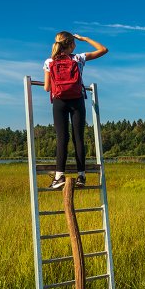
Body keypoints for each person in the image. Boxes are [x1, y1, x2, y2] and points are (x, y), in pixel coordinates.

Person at [43, 31, 108, 189]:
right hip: (77, 101)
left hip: (59, 102)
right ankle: (81, 176)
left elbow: (46, 88)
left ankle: (59, 177)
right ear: (71, 44)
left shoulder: (49, 61)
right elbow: (103, 49)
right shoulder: (78, 59)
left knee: (62, 138)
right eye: (75, 43)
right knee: (78, 138)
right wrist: (85, 38)